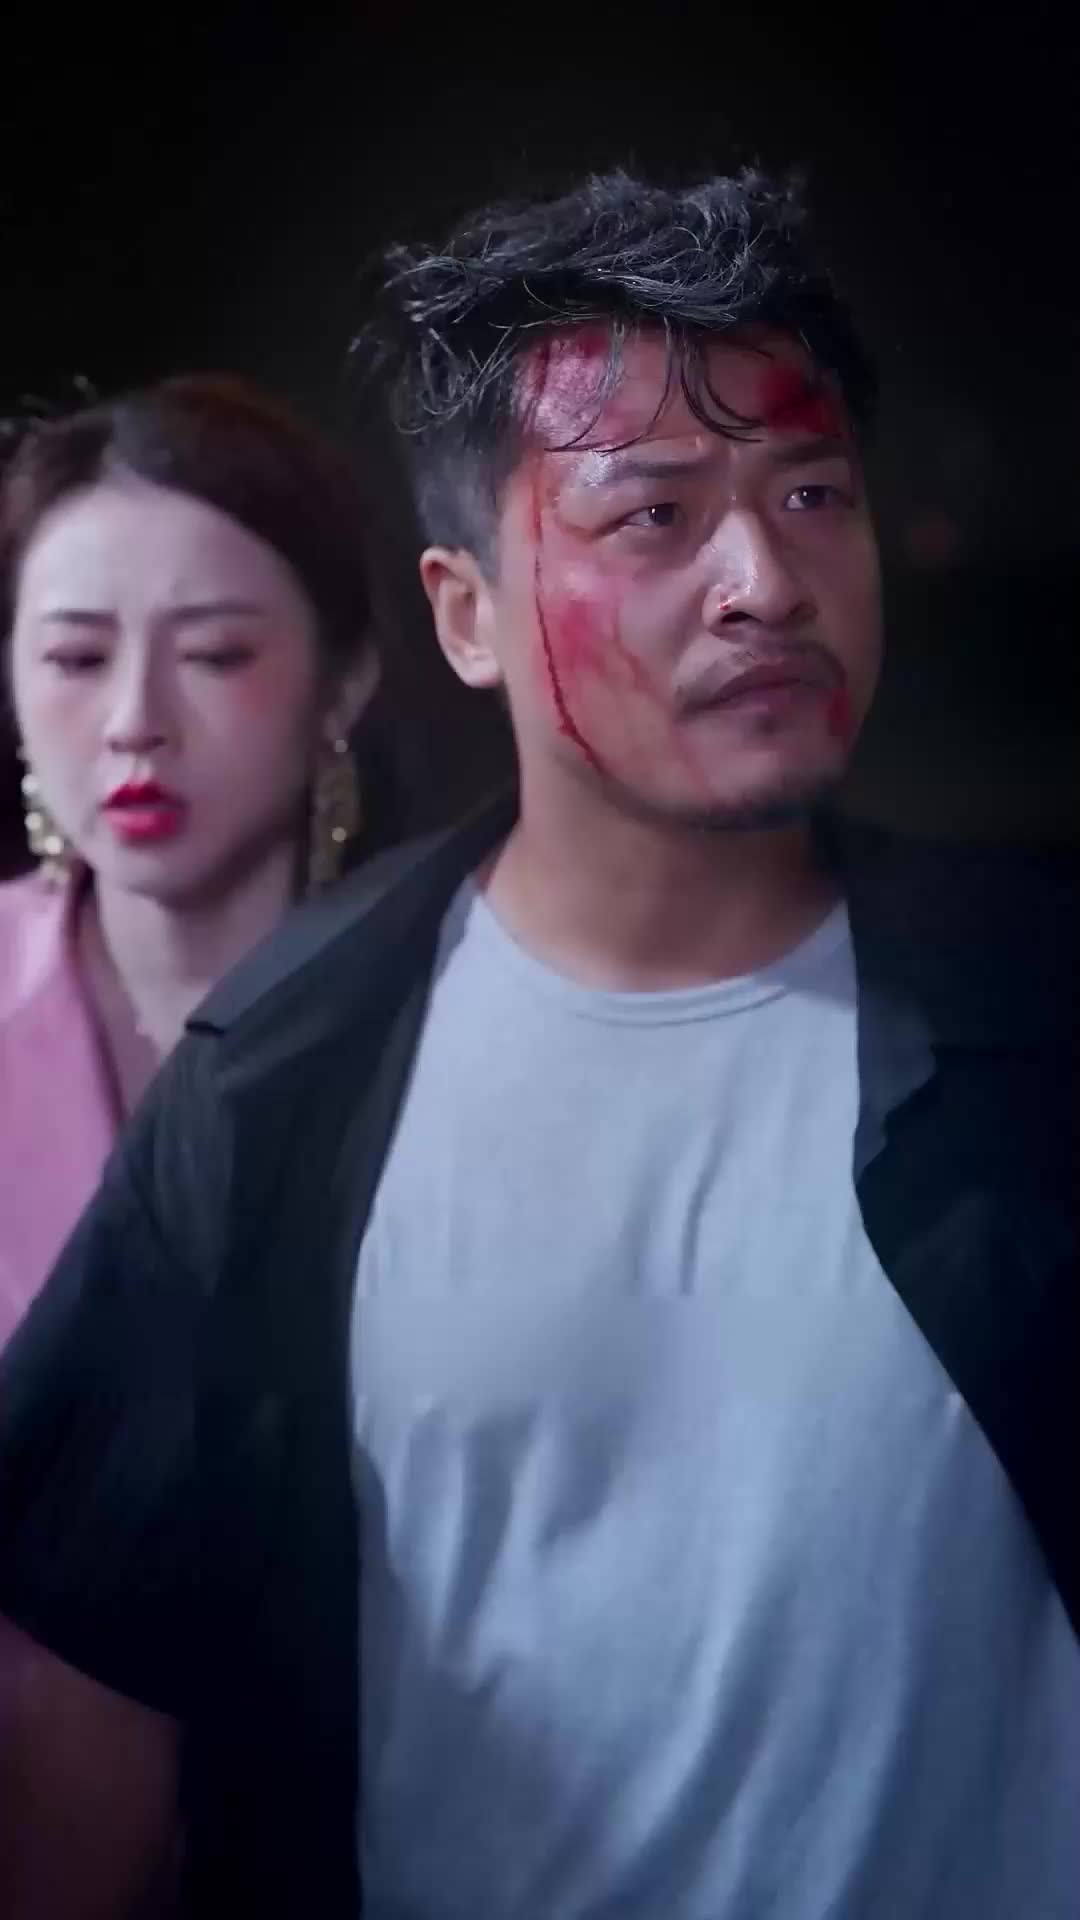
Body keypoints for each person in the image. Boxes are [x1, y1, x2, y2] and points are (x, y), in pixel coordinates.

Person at [1, 172, 1077, 1919]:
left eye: (813, 494)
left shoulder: (1036, 1019)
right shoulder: (282, 1084)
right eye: (652, 515)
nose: (764, 581)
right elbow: (92, 1750)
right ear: (465, 613)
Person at [0, 373, 378, 1912]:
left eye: (216, 653)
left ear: (346, 680)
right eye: (74, 656)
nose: (135, 721)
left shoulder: (460, 1021)